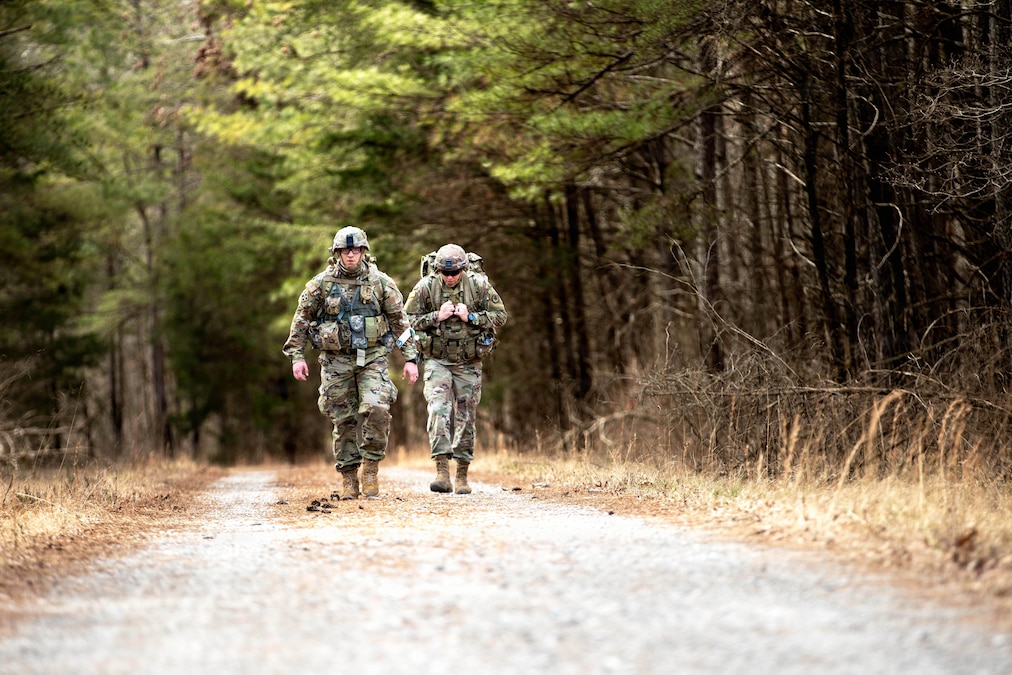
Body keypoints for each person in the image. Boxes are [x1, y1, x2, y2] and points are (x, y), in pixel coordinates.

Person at [283, 226, 419, 499]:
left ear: (363, 251)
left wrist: (411, 358)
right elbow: (301, 321)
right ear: (337, 253)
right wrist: (297, 357)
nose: (351, 255)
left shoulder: (382, 283)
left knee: (377, 408)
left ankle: (370, 469)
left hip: (373, 357)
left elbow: (400, 324)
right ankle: (348, 478)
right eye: (346, 250)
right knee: (343, 420)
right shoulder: (320, 285)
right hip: (336, 361)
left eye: (356, 250)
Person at [404, 243, 508, 494]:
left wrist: (471, 316)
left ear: (463, 268)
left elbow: (501, 316)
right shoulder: (426, 287)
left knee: (466, 415)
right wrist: (434, 318)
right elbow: (405, 321)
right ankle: (442, 472)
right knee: (438, 410)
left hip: (469, 361)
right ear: (438, 270)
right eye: (444, 272)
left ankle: (462, 475)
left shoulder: (478, 286)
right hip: (437, 359)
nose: (449, 277)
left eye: (454, 273)